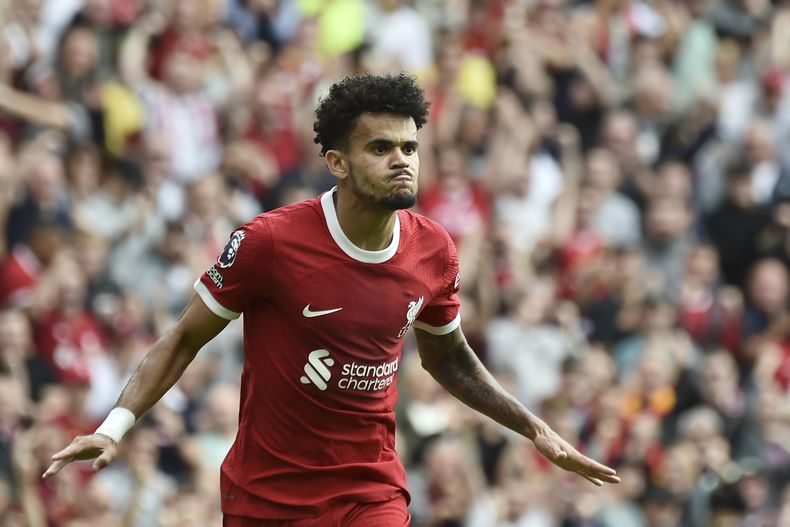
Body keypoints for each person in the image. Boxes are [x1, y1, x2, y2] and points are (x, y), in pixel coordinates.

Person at [42, 73, 619, 526]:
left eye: (410, 146)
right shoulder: (270, 242)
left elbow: (448, 357)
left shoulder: (435, 252)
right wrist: (115, 426)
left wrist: (534, 428)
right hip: (265, 494)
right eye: (381, 147)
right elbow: (183, 340)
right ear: (337, 162)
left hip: (368, 491)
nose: (402, 159)